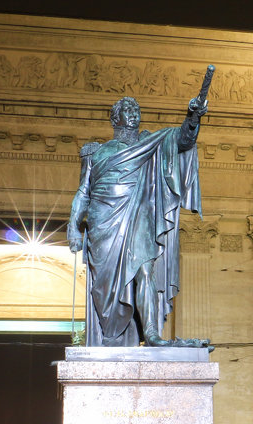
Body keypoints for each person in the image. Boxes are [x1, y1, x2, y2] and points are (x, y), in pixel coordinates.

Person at [67, 80, 211, 348]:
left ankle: (153, 335)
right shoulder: (96, 152)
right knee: (105, 290)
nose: (133, 113)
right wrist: (73, 228)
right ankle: (112, 333)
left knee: (145, 271)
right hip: (104, 224)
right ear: (115, 117)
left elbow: (183, 140)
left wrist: (193, 116)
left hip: (138, 218)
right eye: (127, 109)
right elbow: (83, 192)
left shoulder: (151, 143)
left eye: (136, 109)